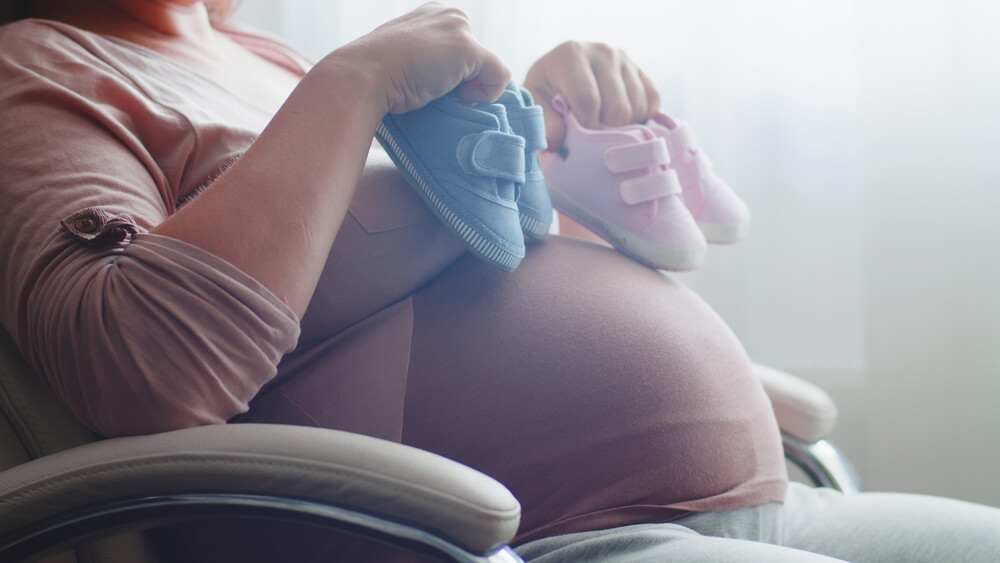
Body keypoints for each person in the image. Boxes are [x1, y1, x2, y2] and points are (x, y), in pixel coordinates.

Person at [0, 1, 998, 561]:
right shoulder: (38, 70)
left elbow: (435, 256)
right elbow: (134, 365)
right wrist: (355, 83)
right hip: (511, 533)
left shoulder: (257, 56)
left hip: (738, 500)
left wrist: (542, 132)